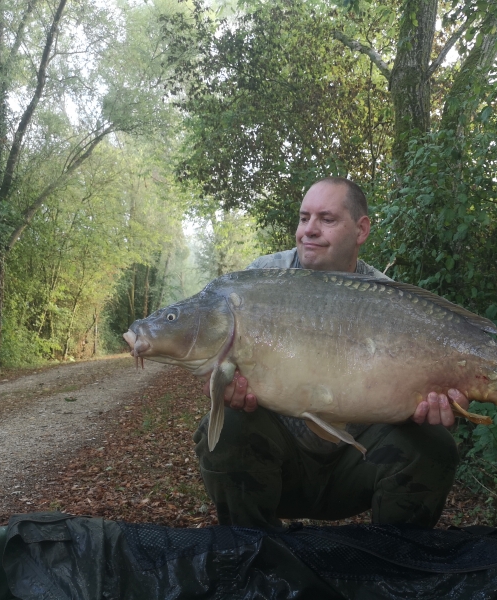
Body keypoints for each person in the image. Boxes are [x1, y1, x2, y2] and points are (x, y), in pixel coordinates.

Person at [193, 177, 469, 531]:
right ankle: (254, 559)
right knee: (227, 428)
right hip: (277, 461)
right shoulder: (259, 281)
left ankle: (394, 568)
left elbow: (430, 391)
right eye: (304, 217)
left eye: (326, 219)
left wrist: (437, 404)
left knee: (435, 445)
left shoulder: (390, 301)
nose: (309, 230)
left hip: (357, 463)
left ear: (361, 229)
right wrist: (220, 385)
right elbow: (213, 361)